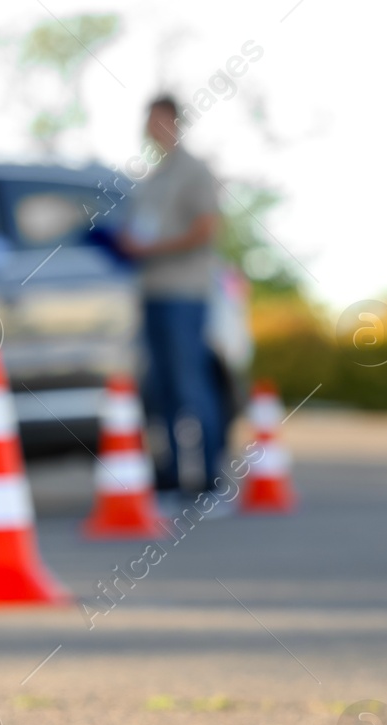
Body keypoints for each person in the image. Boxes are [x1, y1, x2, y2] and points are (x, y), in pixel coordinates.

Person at [119, 94, 223, 495]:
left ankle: (209, 479)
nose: (148, 127)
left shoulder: (193, 170)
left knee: (189, 384)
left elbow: (205, 228)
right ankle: (174, 475)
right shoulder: (153, 176)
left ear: (172, 120)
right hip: (152, 291)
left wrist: (151, 249)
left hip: (184, 294)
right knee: (159, 388)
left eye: (154, 119)